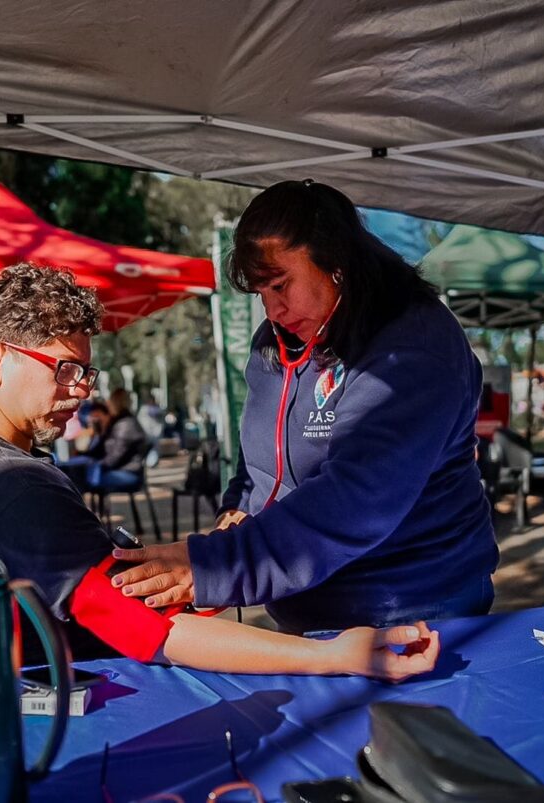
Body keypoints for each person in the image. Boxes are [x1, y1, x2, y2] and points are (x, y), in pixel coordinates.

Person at [0, 261, 439, 680]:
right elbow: (154, 633)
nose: (83, 388)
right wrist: (333, 655)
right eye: (64, 369)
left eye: (87, 371)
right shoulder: (15, 487)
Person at [112, 180, 499, 634]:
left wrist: (219, 566)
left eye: (281, 285)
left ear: (337, 264)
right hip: (309, 608)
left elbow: (357, 498)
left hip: (409, 605)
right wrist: (237, 513)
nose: (272, 310)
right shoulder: (276, 345)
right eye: (261, 293)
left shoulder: (413, 348)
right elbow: (256, 460)